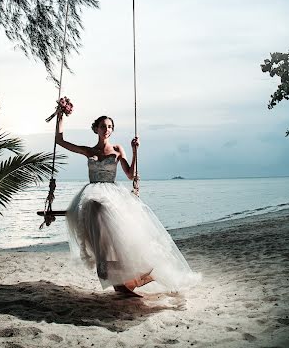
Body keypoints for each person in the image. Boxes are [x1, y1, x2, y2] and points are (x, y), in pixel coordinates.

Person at [55, 113, 200, 296]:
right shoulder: (89, 151)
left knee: (119, 231)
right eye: (103, 126)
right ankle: (103, 262)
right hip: (93, 191)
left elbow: (130, 175)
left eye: (109, 127)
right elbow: (60, 141)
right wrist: (61, 115)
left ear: (112, 130)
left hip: (113, 192)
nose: (106, 130)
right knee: (93, 205)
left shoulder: (117, 149)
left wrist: (134, 151)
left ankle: (120, 277)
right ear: (96, 129)